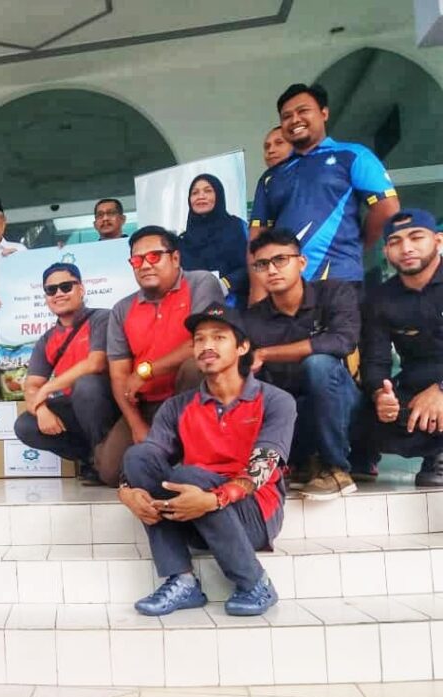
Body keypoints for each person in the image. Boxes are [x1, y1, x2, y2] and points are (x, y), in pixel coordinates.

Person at [120, 303, 296, 617]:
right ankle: (182, 580)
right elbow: (149, 459)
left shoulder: (275, 400)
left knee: (189, 476)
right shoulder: (178, 406)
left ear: (242, 347)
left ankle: (255, 583)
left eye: (218, 337)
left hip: (253, 514)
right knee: (138, 456)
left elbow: (261, 469)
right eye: (199, 339)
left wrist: (214, 499)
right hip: (195, 509)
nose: (207, 346)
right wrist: (127, 492)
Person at [95, 225, 224, 486]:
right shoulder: (122, 309)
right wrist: (136, 425)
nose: (145, 265)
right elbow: (119, 375)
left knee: (196, 364)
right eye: (137, 260)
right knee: (110, 473)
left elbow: (202, 344)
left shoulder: (201, 283)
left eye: (154, 256)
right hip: (148, 404)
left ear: (175, 258)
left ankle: (197, 455)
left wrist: (146, 371)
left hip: (189, 396)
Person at [244, 228, 361, 500]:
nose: (272, 270)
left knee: (319, 365)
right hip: (295, 416)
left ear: (302, 262)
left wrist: (266, 354)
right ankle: (302, 463)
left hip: (345, 408)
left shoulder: (334, 293)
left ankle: (336, 470)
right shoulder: (252, 319)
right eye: (262, 264)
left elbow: (342, 341)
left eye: (280, 260)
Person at [250, 83, 400, 291]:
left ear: (324, 113)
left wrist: (359, 244)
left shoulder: (353, 155)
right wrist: (257, 292)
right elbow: (257, 238)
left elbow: (387, 208)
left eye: (303, 111)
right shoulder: (271, 177)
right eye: (286, 116)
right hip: (287, 288)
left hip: (340, 281)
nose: (295, 120)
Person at [357, 209, 443, 487]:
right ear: (386, 251)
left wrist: (441, 390)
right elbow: (376, 360)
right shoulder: (381, 299)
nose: (406, 248)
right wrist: (380, 394)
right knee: (361, 417)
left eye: (416, 237)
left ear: (438, 241)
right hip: (414, 386)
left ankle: (437, 456)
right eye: (395, 241)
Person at [14, 263, 115, 484]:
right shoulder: (47, 339)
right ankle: (92, 460)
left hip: (109, 404)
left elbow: (96, 363)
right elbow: (31, 386)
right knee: (25, 425)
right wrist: (41, 409)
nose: (58, 293)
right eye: (51, 290)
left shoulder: (103, 318)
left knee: (87, 385)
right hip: (75, 407)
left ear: (81, 289)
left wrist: (48, 388)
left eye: (66, 287)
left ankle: (108, 458)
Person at [179, 174, 249, 307]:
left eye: (208, 191)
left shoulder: (237, 227)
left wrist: (225, 284)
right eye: (195, 193)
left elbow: (251, 265)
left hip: (234, 304)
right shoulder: (183, 240)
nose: (201, 196)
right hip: (195, 307)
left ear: (219, 195)